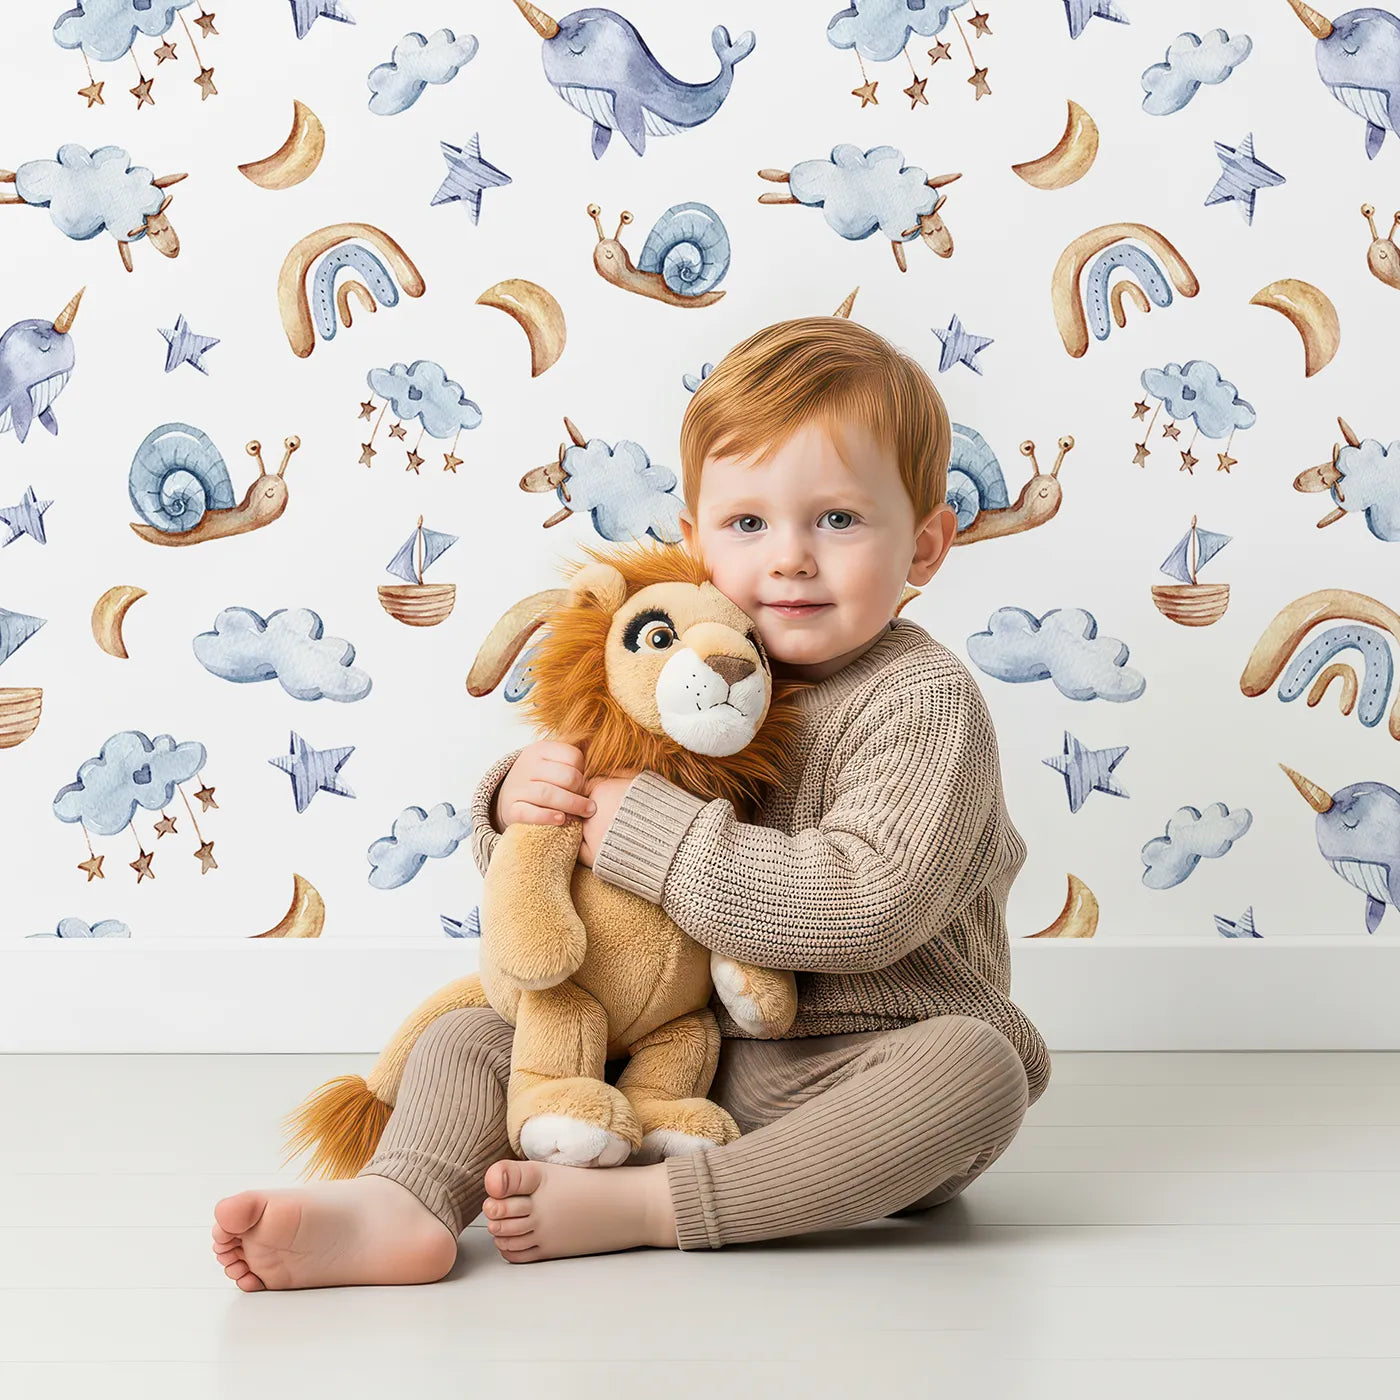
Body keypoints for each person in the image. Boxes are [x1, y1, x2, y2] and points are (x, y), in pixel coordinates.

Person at [211, 315, 1049, 1290]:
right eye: (747, 523)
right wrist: (519, 810)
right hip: (667, 1046)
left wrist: (649, 833)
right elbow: (567, 866)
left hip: (847, 1061)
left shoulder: (920, 702)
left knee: (975, 1073)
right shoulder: (672, 660)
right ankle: (403, 1202)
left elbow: (864, 903)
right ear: (693, 541)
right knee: (478, 1029)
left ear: (926, 541)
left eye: (836, 519)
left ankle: (653, 1206)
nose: (788, 557)